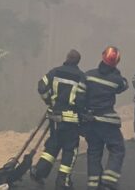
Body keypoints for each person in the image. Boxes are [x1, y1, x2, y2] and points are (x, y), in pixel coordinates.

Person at [32, 49, 87, 188]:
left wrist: (49, 101)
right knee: (70, 149)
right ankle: (63, 181)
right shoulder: (81, 77)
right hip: (71, 119)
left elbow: (41, 86)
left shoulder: (55, 71)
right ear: (78, 62)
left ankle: (39, 171)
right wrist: (83, 116)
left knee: (53, 144)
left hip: (55, 116)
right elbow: (82, 99)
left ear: (67, 58)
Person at [82, 46, 129, 190]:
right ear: (117, 62)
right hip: (107, 121)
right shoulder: (116, 79)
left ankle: (93, 184)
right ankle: (109, 180)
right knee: (117, 148)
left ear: (102, 56)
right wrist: (116, 71)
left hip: (89, 121)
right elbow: (124, 86)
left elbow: (80, 96)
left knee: (94, 151)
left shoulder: (88, 75)